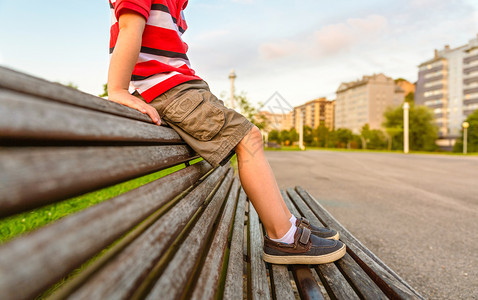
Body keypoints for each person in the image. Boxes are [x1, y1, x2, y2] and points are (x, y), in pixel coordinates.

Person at [107, 0, 346, 264]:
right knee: (249, 138)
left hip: (184, 86)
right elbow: (129, 26)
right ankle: (283, 237)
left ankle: (286, 223)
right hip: (167, 89)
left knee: (251, 136)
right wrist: (117, 89)